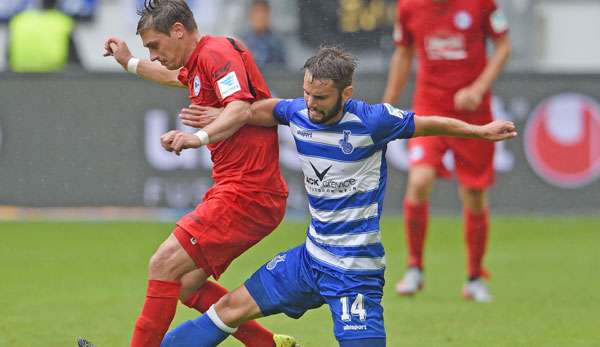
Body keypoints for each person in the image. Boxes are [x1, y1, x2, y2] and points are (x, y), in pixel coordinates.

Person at [156, 46, 516, 346]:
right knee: (230, 309)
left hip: (355, 271)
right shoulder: (299, 111)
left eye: (321, 97)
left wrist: (479, 131)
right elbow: (260, 110)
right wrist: (222, 115)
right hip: (310, 260)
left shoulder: (373, 122)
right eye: (308, 93)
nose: (311, 103)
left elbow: (429, 123)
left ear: (346, 93)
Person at [80, 1, 297, 347]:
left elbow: (239, 108)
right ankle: (267, 344)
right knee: (184, 285)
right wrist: (128, 61)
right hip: (243, 192)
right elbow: (170, 76)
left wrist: (196, 138)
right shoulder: (198, 62)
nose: (153, 54)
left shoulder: (216, 53)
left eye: (155, 45)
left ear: (178, 30)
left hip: (249, 193)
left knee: (163, 263)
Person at [382, 0, 512, 302]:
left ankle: (474, 277)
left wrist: (478, 89)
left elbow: (503, 46)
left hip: (474, 112)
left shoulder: (482, 4)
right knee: (419, 181)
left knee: (475, 194)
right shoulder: (409, 7)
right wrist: (386, 105)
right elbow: (404, 53)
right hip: (430, 108)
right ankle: (414, 269)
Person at [8, 0, 80, 72]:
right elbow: (74, 60)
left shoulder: (18, 20)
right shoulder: (63, 21)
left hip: (18, 76)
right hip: (55, 76)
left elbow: (8, 56)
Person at [239, 0, 286, 71]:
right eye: (257, 12)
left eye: (264, 12)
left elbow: (282, 69)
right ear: (250, 15)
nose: (260, 16)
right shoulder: (242, 42)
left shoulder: (277, 42)